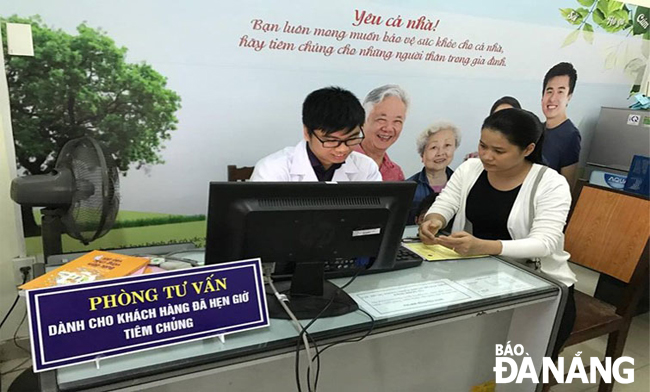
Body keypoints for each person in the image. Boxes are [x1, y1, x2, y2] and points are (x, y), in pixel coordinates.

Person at [419, 108, 577, 359]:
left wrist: (484, 246)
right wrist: (434, 220)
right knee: (463, 355)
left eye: (498, 151)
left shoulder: (550, 183)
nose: (486, 156)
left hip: (537, 284)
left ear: (527, 149)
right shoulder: (471, 168)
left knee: (518, 368)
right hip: (478, 278)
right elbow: (446, 202)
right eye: (483, 146)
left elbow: (544, 243)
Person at [250, 87, 381, 182]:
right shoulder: (273, 169)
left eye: (352, 138)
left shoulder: (366, 167)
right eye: (331, 140)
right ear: (307, 132)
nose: (343, 149)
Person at [406, 121, 461, 224]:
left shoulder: (461, 184)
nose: (440, 153)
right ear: (422, 154)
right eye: (434, 147)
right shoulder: (408, 188)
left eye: (447, 145)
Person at [353, 84, 409, 180]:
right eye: (381, 119)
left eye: (397, 121)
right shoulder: (341, 161)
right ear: (363, 121)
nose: (388, 128)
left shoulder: (395, 173)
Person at [541, 62, 581, 188]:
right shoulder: (537, 129)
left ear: (569, 97)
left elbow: (567, 187)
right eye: (549, 91)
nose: (552, 98)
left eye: (560, 92)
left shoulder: (570, 136)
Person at [464, 96, 521, 161]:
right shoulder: (472, 160)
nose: (502, 122)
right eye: (497, 116)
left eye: (508, 117)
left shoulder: (526, 162)